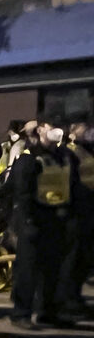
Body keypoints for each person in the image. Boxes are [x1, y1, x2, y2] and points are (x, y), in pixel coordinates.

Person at [9, 113, 81, 329]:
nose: (59, 130)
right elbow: (21, 193)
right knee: (28, 270)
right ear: (40, 129)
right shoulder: (30, 158)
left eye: (62, 126)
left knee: (53, 270)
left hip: (58, 219)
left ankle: (47, 312)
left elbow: (73, 187)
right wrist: (26, 222)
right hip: (34, 218)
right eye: (54, 126)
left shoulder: (66, 156)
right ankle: (21, 313)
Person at [61, 120, 94, 317]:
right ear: (73, 129)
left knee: (83, 258)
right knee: (72, 258)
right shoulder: (69, 151)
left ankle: (75, 298)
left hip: (88, 208)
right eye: (84, 127)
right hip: (77, 209)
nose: (88, 130)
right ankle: (67, 300)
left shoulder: (85, 149)